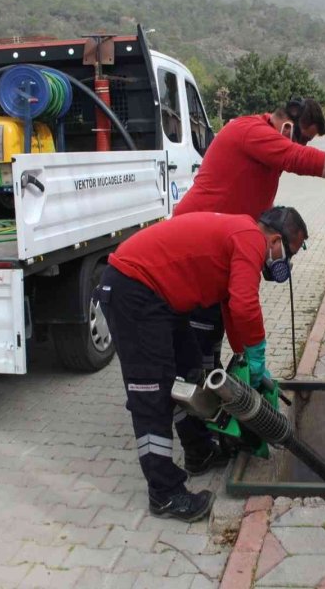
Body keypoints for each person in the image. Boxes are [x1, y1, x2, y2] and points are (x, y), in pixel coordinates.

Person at [98, 206, 308, 521]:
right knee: (152, 394)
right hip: (134, 289)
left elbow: (231, 307)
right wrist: (257, 351)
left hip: (161, 298)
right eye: (287, 254)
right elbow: (245, 303)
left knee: (191, 375)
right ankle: (165, 494)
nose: (285, 263)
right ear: (275, 240)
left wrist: (249, 363)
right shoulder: (251, 238)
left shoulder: (240, 238)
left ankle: (199, 451)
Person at [173, 97, 325, 371]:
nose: (302, 147)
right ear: (288, 127)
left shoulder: (266, 145)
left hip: (222, 243)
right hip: (195, 245)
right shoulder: (252, 132)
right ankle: (192, 401)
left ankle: (220, 381)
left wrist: (246, 351)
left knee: (217, 329)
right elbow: (304, 161)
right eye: (303, 140)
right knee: (200, 341)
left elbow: (239, 304)